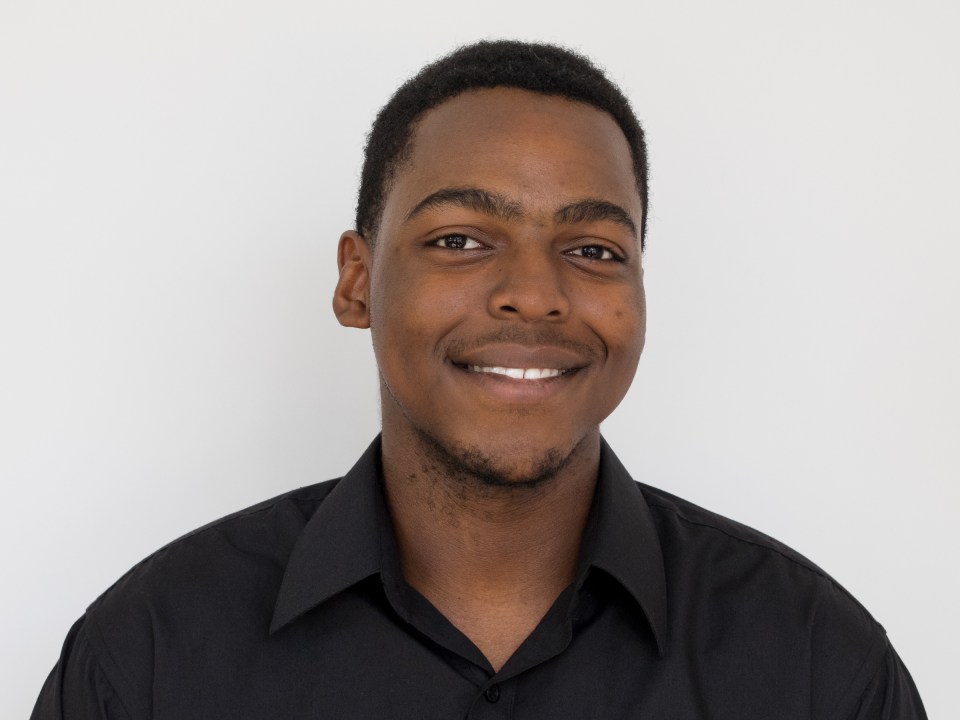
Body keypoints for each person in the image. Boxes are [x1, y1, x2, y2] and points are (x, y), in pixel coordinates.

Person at [32, 40, 925, 719]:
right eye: (460, 239)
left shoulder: (814, 664)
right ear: (356, 282)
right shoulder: (151, 656)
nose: (534, 295)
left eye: (592, 249)